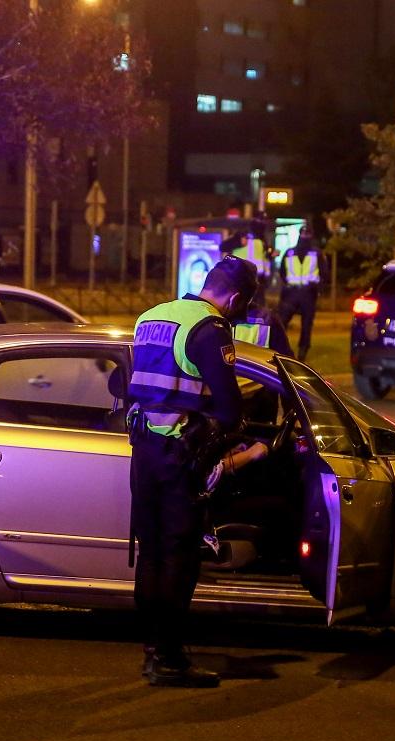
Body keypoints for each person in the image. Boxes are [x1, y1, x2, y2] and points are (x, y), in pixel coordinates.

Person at [127, 255, 265, 688]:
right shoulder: (210, 329)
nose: (242, 315)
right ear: (237, 297)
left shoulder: (151, 317)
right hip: (178, 458)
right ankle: (169, 660)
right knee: (179, 557)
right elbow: (228, 407)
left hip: (144, 452)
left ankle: (154, 650)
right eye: (244, 306)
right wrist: (234, 442)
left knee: (150, 553)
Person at [278, 228, 323, 361]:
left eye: (307, 233)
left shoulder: (316, 253)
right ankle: (279, 347)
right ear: (299, 235)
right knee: (281, 322)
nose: (305, 236)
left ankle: (303, 351)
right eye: (303, 233)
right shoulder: (289, 252)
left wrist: (316, 287)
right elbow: (282, 271)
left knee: (307, 324)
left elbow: (324, 273)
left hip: (308, 293)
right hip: (291, 293)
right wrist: (287, 284)